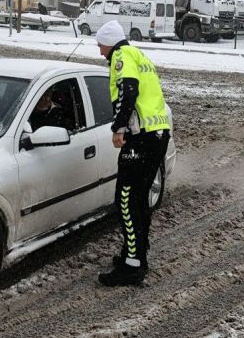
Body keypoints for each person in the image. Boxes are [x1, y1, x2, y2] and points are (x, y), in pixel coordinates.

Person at [94, 19, 171, 287]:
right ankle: (136, 255)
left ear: (108, 42)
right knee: (138, 199)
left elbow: (129, 91)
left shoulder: (121, 55)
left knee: (125, 199)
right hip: (158, 134)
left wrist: (119, 127)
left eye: (100, 45)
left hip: (143, 137)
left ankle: (132, 266)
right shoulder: (139, 54)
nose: (99, 51)